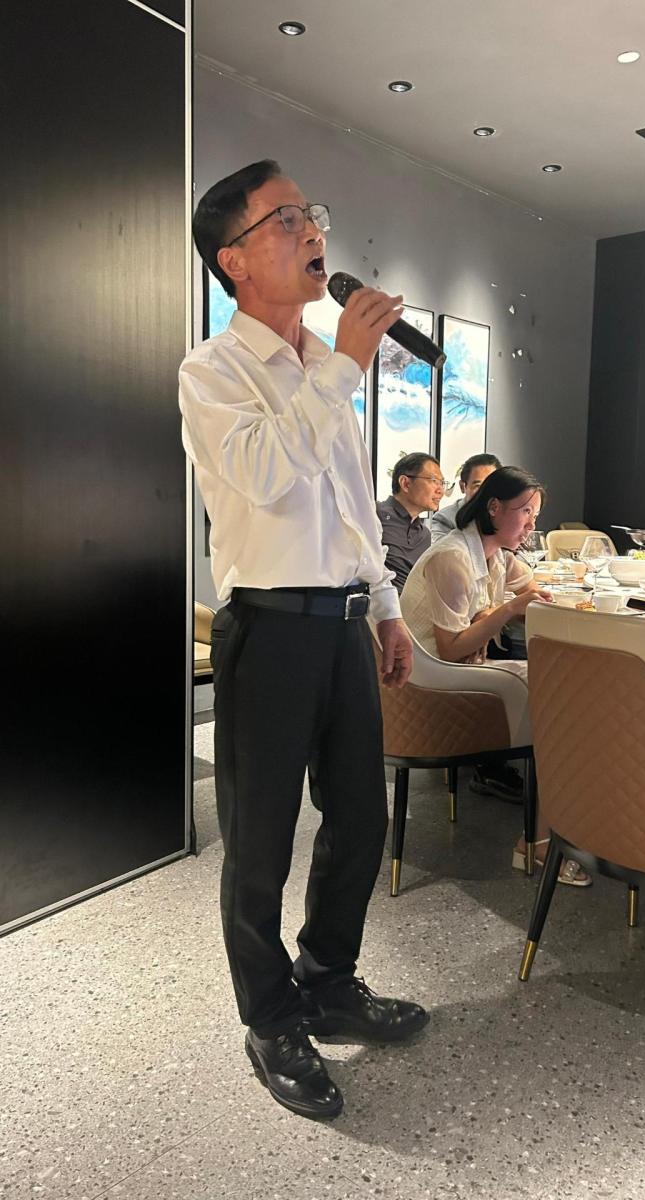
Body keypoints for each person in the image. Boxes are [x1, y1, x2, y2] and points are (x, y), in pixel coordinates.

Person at [179, 159, 429, 1122]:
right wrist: (345, 369)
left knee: (359, 820)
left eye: (310, 214)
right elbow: (266, 476)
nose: (312, 230)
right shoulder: (212, 372)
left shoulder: (324, 366)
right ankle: (270, 1019)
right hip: (269, 631)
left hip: (343, 626)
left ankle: (328, 983)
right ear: (234, 260)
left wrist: (386, 605)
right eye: (284, 219)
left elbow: (348, 508)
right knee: (259, 844)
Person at [401, 466, 590, 887]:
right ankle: (539, 842)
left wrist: (497, 610)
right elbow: (451, 648)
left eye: (535, 515)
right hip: (430, 684)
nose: (532, 525)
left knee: (561, 696)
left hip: (456, 669)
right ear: (493, 507)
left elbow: (537, 590)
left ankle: (553, 832)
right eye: (525, 512)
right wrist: (504, 610)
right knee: (557, 699)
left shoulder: (496, 555)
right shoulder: (452, 557)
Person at [376, 452, 445, 593]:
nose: (441, 491)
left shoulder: (424, 534)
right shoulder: (375, 515)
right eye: (434, 481)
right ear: (405, 483)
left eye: (442, 483)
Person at [430, 452, 501, 542]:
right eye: (478, 486)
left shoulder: (505, 514)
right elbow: (443, 548)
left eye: (491, 485)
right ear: (462, 487)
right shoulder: (445, 518)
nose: (485, 492)